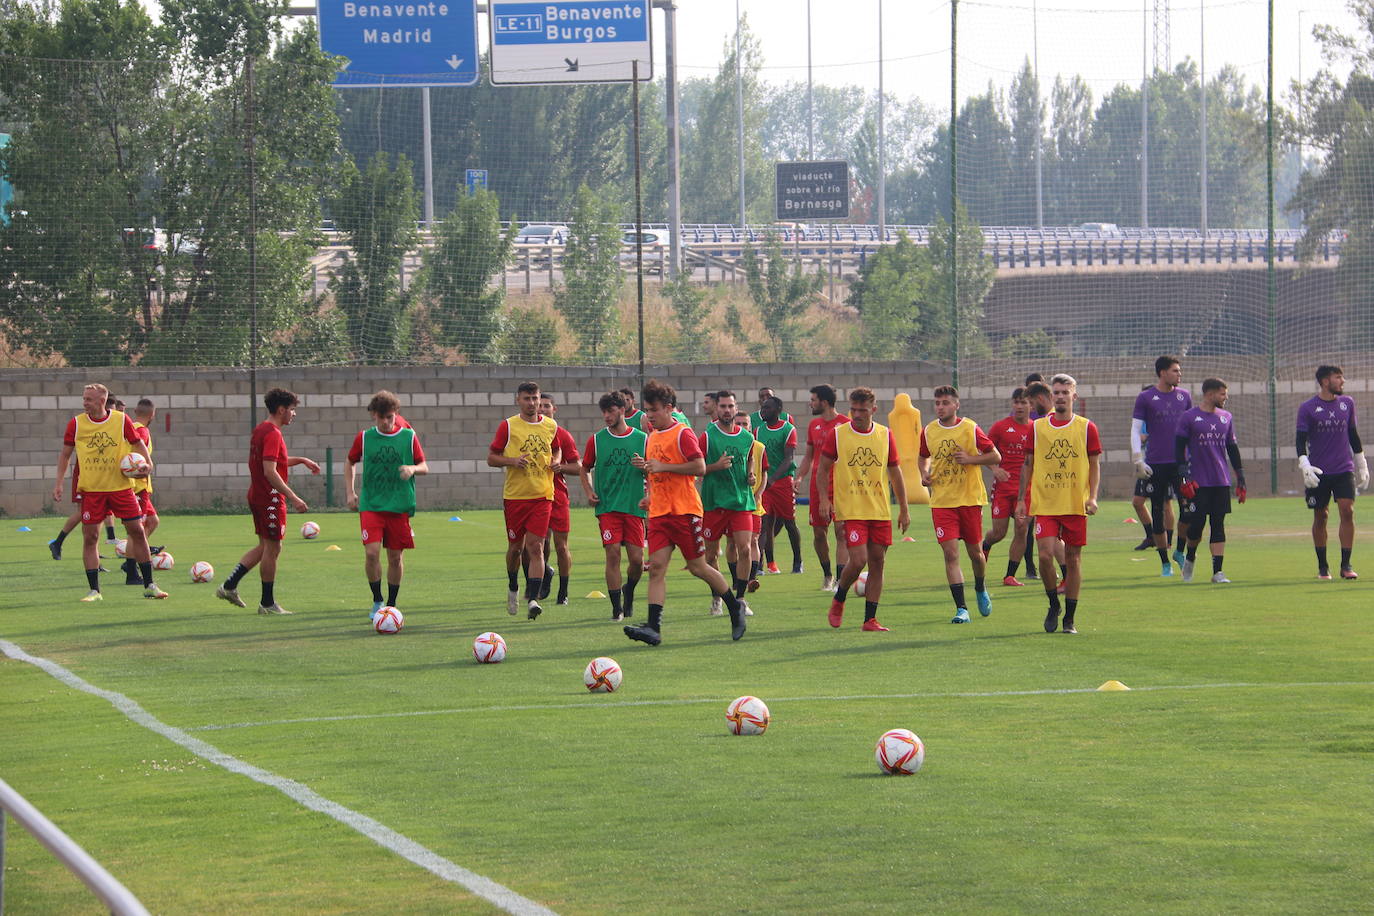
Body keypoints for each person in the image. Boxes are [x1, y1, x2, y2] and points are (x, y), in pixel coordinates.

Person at [623, 379, 747, 646]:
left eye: (654, 410)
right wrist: (650, 495)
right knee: (656, 568)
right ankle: (653, 628)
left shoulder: (683, 433)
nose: (649, 415)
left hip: (684, 512)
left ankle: (734, 606)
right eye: (647, 410)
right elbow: (657, 472)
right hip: (659, 513)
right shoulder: (652, 436)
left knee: (697, 567)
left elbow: (700, 467)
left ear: (669, 408)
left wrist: (664, 469)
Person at [52, 383, 165, 602]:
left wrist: (148, 464)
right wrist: (58, 483)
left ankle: (150, 584)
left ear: (101, 401)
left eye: (89, 399)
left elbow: (137, 442)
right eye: (84, 398)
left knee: (138, 531)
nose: (84, 402)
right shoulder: (76, 424)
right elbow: (65, 455)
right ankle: (94, 591)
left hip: (121, 488)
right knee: (91, 537)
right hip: (92, 491)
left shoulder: (120, 420)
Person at [216, 387, 319, 615]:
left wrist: (302, 460)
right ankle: (267, 603)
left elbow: (276, 461)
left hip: (258, 495)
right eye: (292, 410)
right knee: (273, 548)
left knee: (265, 546)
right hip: (270, 498)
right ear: (281, 409)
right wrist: (293, 497)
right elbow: (270, 471)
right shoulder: (273, 433)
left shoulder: (262, 430)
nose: (294, 414)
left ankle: (229, 586)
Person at [818, 387, 909, 631]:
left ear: (874, 410)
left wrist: (904, 507)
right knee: (858, 560)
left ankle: (870, 619)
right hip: (852, 509)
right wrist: (824, 501)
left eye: (863, 410)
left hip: (879, 509)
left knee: (878, 563)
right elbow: (823, 468)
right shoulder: (838, 434)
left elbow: (895, 472)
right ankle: (840, 597)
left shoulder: (884, 434)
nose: (857, 414)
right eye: (854, 409)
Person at [1016, 374, 1101, 634]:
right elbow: (1028, 464)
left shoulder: (1087, 427)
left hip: (1075, 504)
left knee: (1073, 560)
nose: (1061, 396)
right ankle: (1054, 604)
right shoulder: (1037, 427)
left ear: (1074, 396)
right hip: (1046, 504)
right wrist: (1021, 499)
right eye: (1057, 392)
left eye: (1066, 392)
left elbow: (1095, 465)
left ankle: (1070, 619)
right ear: (1051, 397)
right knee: (1044, 555)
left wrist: (1092, 496)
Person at [919, 386, 1001, 623]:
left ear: (956, 405)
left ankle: (980, 587)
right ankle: (962, 609)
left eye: (945, 402)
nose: (940, 407)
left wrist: (971, 459)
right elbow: (922, 456)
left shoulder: (970, 428)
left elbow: (995, 456)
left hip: (969, 500)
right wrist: (924, 473)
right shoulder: (929, 431)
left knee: (976, 554)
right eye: (937, 403)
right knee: (950, 554)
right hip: (942, 503)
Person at [345, 390, 429, 619]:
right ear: (373, 415)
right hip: (371, 504)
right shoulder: (364, 438)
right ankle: (377, 601)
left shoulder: (409, 437)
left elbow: (424, 466)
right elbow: (350, 461)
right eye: (381, 417)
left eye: (389, 417)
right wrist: (350, 492)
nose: (385, 422)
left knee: (395, 557)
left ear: (396, 414)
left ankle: (391, 605)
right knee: (372, 553)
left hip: (399, 505)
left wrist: (412, 468)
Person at [488, 381, 560, 619]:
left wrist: (556, 461)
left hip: (542, 495)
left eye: (535, 398)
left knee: (536, 547)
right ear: (517, 400)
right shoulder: (508, 426)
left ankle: (533, 599)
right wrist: (512, 461)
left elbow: (557, 448)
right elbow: (491, 458)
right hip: (515, 497)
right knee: (515, 549)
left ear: (540, 400)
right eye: (527, 398)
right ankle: (512, 585)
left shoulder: (550, 425)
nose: (532, 403)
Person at [581, 390, 648, 622]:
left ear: (622, 410)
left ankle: (629, 590)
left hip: (634, 507)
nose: (606, 416)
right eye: (604, 412)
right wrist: (589, 491)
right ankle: (616, 607)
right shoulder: (597, 440)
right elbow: (584, 467)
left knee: (637, 561)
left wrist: (646, 467)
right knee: (613, 554)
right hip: (608, 507)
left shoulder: (642, 438)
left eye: (610, 411)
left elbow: (654, 469)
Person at [1297, 364, 1368, 579]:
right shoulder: (1307, 408)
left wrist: (1361, 462)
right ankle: (1322, 567)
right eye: (1339, 377)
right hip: (1318, 471)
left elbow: (1353, 433)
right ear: (1326, 381)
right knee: (1321, 516)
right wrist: (1304, 464)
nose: (1343, 381)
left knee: (1347, 511)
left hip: (1343, 468)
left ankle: (1346, 566)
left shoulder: (1348, 403)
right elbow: (1300, 440)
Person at [1174, 378, 1245, 583]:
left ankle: (1217, 572)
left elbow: (1232, 448)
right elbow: (1179, 447)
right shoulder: (1189, 417)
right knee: (1196, 525)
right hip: (1198, 481)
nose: (1226, 397)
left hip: (1220, 481)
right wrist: (1183, 475)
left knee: (1218, 524)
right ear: (1210, 394)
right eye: (1222, 394)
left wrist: (1240, 477)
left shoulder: (1226, 417)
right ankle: (1190, 558)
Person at [1132, 355, 1193, 577]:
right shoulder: (1145, 397)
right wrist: (1138, 458)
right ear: (1162, 373)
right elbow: (1135, 429)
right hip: (1155, 464)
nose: (1179, 374)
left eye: (1179, 370)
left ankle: (1179, 550)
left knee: (1188, 511)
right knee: (1157, 512)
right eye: (1175, 370)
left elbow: (1190, 429)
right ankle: (1165, 562)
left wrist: (1191, 458)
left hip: (1180, 464)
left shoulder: (1185, 396)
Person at [699, 391, 758, 617]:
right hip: (714, 503)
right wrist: (715, 466)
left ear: (736, 408)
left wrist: (750, 474)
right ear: (717, 409)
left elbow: (750, 457)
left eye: (730, 406)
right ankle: (717, 597)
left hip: (741, 501)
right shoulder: (707, 436)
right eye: (722, 406)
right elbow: (696, 466)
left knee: (744, 549)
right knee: (711, 555)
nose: (726, 410)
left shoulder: (746, 437)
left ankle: (741, 599)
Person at [795, 384, 851, 590]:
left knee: (842, 533)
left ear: (824, 402)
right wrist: (799, 477)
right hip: (818, 487)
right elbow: (809, 457)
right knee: (819, 534)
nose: (810, 403)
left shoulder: (846, 424)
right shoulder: (813, 425)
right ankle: (827, 574)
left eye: (813, 400)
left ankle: (839, 579)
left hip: (840, 487)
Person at [982, 387, 1033, 586]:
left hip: (1026, 491)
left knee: (1022, 528)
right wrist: (995, 469)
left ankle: (1009, 575)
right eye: (1016, 402)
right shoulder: (1000, 427)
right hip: (1003, 489)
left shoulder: (1036, 428)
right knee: (999, 533)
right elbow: (984, 451)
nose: (1019, 406)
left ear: (1030, 405)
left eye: (1023, 402)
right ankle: (986, 545)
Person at [538, 393, 580, 606]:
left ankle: (563, 591)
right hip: (535, 495)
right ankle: (545, 573)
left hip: (558, 497)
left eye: (547, 406)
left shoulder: (563, 435)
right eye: (540, 405)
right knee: (539, 544)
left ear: (554, 409)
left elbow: (578, 466)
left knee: (561, 546)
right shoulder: (529, 434)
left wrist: (561, 467)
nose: (542, 409)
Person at [755, 396, 803, 575]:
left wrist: (773, 479)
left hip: (782, 482)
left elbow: (788, 458)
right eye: (762, 407)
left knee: (790, 523)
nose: (763, 411)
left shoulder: (788, 429)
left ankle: (798, 561)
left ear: (777, 410)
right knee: (763, 523)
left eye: (767, 408)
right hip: (764, 483)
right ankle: (759, 564)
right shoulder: (758, 431)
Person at [120, 398, 162, 585]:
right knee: (136, 531)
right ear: (152, 414)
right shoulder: (142, 432)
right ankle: (131, 571)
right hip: (138, 488)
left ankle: (136, 558)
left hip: (141, 488)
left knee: (152, 521)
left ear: (136, 411)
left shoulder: (132, 428)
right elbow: (137, 460)